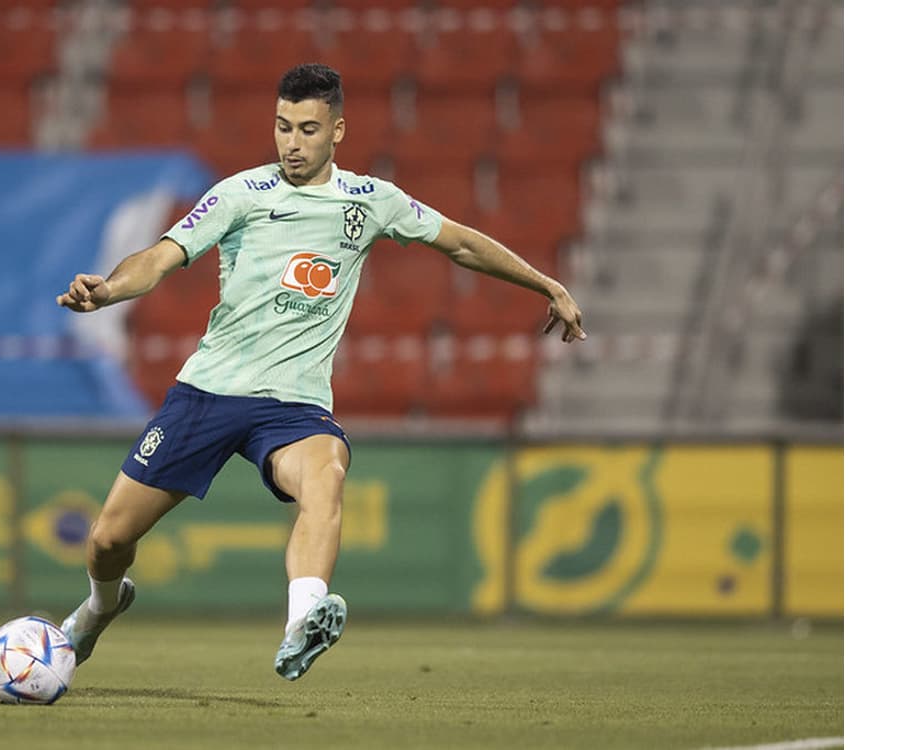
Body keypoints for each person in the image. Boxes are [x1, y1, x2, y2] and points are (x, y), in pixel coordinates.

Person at [55, 63, 586, 682]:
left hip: (293, 406)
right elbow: (160, 258)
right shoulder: (239, 194)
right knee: (107, 541)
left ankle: (301, 621)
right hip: (207, 393)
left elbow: (461, 243)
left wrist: (546, 284)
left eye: (308, 129)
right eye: (283, 127)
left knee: (327, 473)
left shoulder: (370, 201)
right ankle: (102, 605)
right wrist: (110, 289)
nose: (292, 142)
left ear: (339, 130)